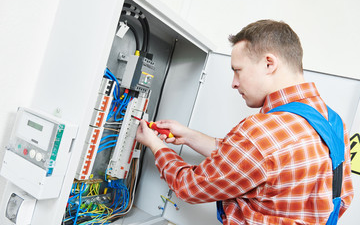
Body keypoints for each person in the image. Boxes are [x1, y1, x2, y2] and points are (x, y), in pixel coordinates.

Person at [135, 20, 354, 224]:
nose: (234, 83)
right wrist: (189, 136)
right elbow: (252, 162)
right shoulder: (334, 122)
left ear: (269, 63)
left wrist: (155, 145)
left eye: (238, 71)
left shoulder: (261, 132)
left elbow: (190, 187)